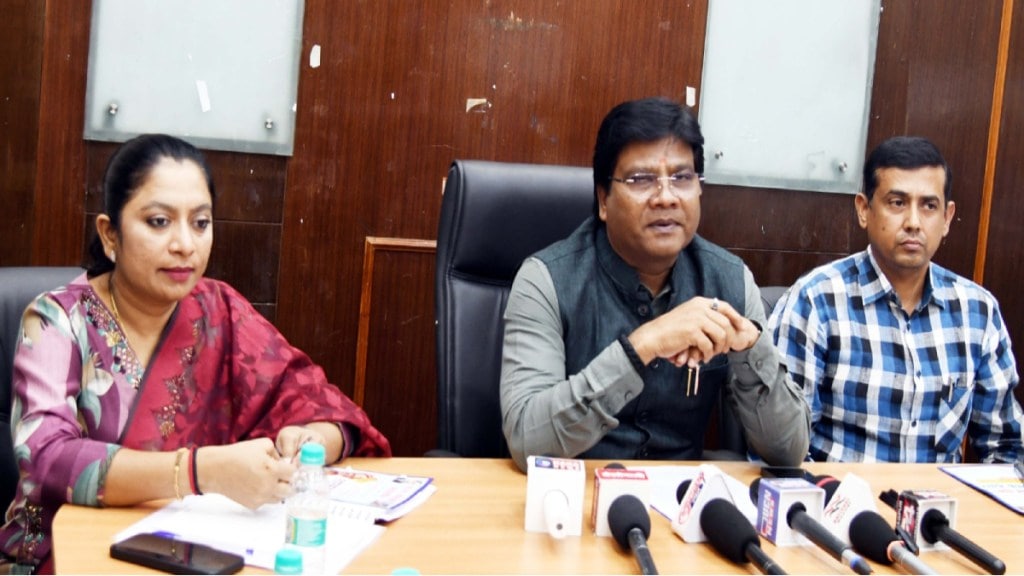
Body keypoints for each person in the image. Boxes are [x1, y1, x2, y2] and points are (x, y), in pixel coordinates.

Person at [0, 134, 391, 572]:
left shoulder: (220, 310)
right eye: (159, 222)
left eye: (200, 223)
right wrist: (201, 471)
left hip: (188, 554)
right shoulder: (57, 320)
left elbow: (320, 403)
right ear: (110, 234)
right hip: (64, 556)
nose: (185, 244)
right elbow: (47, 459)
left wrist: (313, 440)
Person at [499, 97, 810, 472]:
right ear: (603, 199)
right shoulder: (545, 280)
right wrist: (643, 346)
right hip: (570, 495)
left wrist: (750, 349)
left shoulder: (730, 281)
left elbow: (789, 452)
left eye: (682, 178)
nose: (666, 197)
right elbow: (527, 440)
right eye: (641, 179)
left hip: (679, 502)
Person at [768, 136, 1024, 463]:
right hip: (840, 494)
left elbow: (1008, 448)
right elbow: (783, 450)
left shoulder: (977, 312)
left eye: (929, 206)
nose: (913, 223)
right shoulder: (815, 302)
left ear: (947, 218)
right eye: (897, 203)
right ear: (864, 210)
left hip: (939, 497)